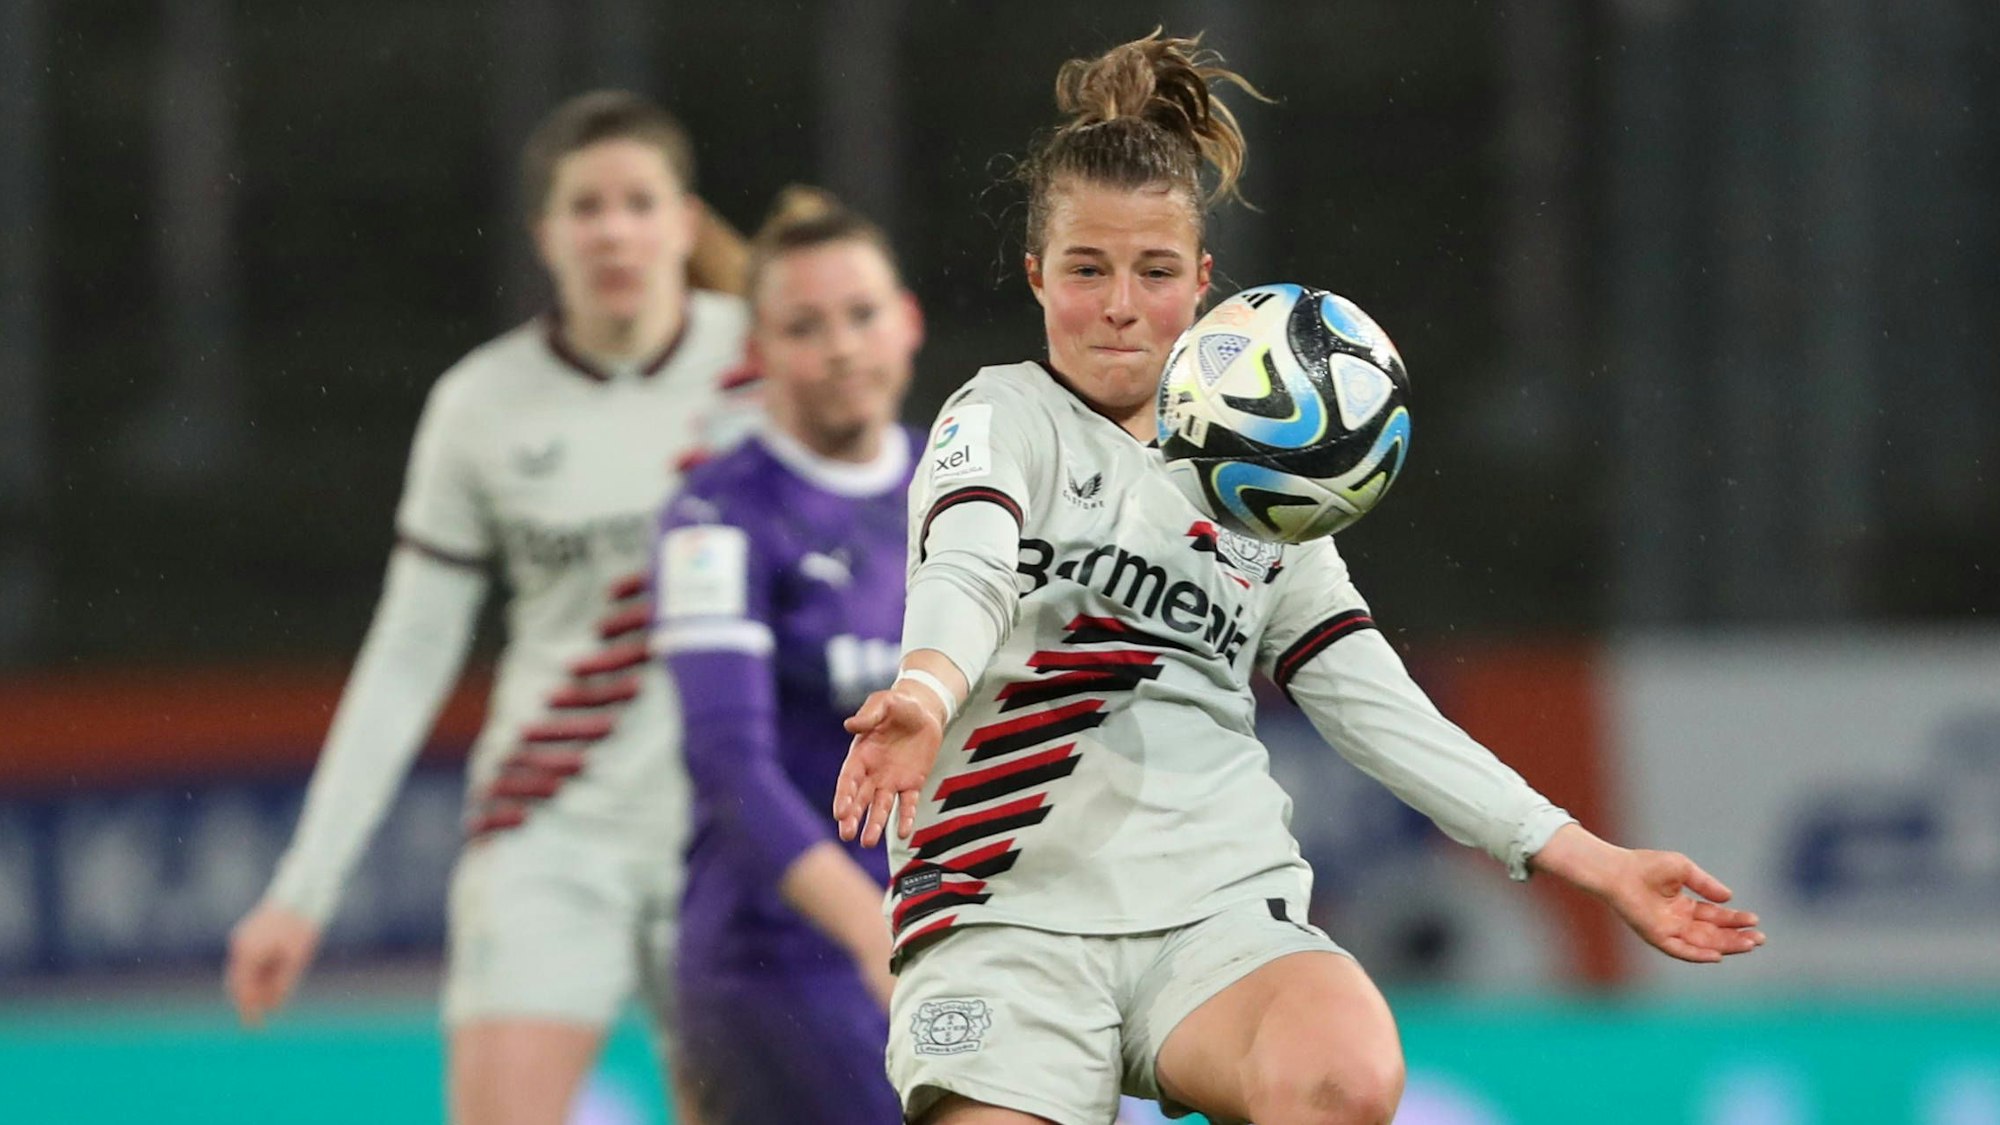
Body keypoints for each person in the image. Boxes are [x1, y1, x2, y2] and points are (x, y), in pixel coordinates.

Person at [834, 31, 1767, 1125]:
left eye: (1154, 271)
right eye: (1086, 270)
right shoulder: (998, 419)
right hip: (1002, 916)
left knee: (1342, 1072)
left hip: (1209, 914)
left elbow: (1373, 704)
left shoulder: (1262, 486)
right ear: (1037, 273)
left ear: (1203, 285)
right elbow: (969, 562)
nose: (1120, 306)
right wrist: (927, 693)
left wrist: (1587, 858)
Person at [224, 90, 757, 1125]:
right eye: (585, 206)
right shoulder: (480, 405)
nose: (612, 228)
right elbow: (410, 652)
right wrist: (303, 888)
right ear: (544, 234)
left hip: (734, 834)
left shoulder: (771, 362)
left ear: (683, 223)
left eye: (637, 201)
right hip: (547, 832)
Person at [650, 186, 920, 1124]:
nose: (842, 345)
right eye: (805, 326)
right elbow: (730, 766)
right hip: (779, 961)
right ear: (758, 353)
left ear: (908, 321)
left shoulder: (971, 494)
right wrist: (875, 934)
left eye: (862, 314)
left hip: (949, 943)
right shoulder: (715, 519)